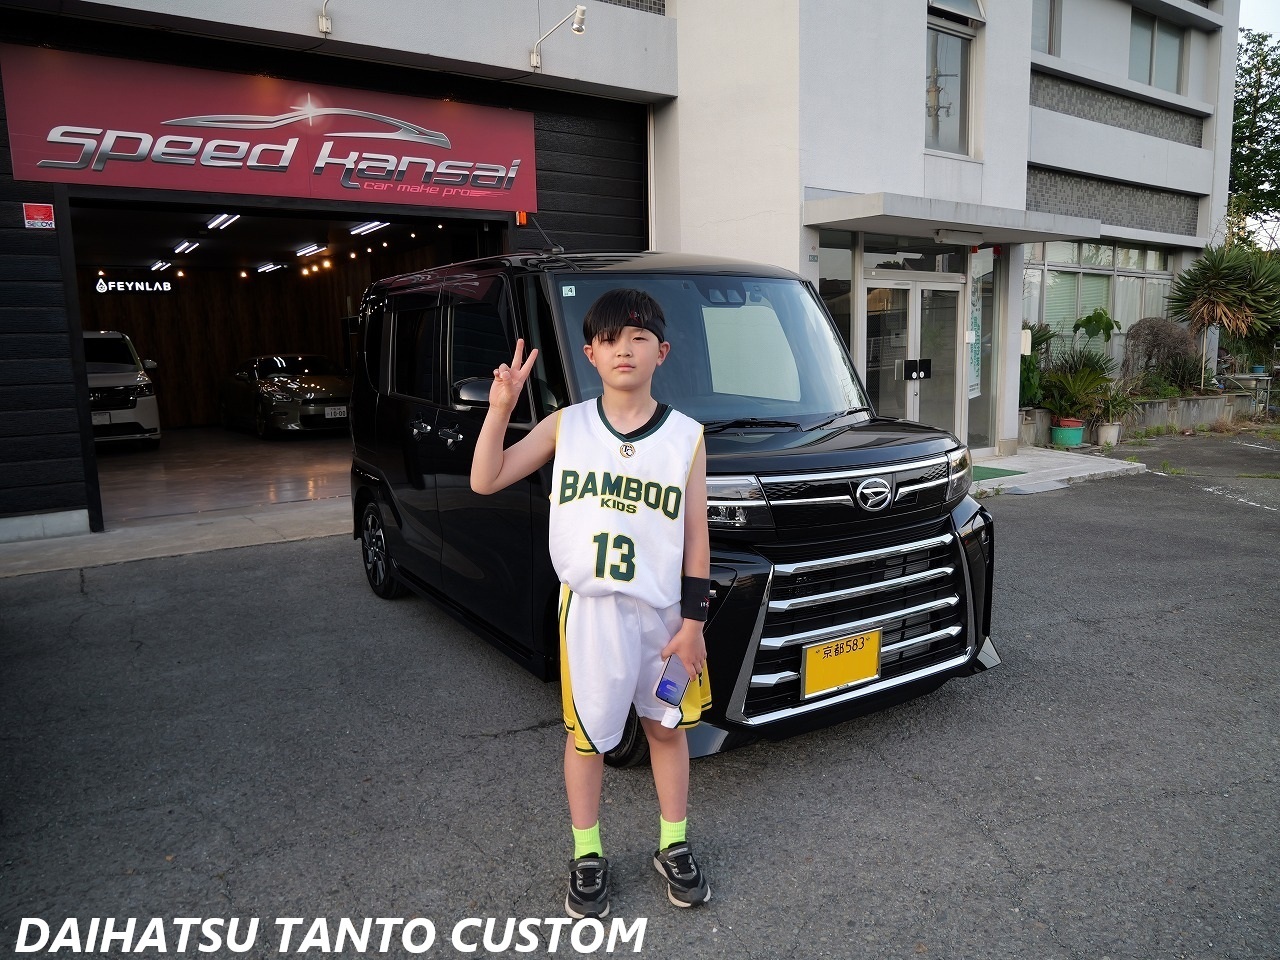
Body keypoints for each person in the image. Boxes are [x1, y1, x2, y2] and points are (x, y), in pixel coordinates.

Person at [470, 288, 713, 918]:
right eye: (609, 340)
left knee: (666, 728)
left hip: (664, 617)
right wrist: (500, 410)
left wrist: (693, 623)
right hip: (591, 613)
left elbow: (696, 538)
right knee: (588, 741)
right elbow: (485, 478)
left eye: (638, 338)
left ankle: (674, 842)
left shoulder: (685, 436)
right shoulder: (566, 425)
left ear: (662, 352)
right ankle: (587, 854)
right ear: (590, 354)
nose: (623, 350)